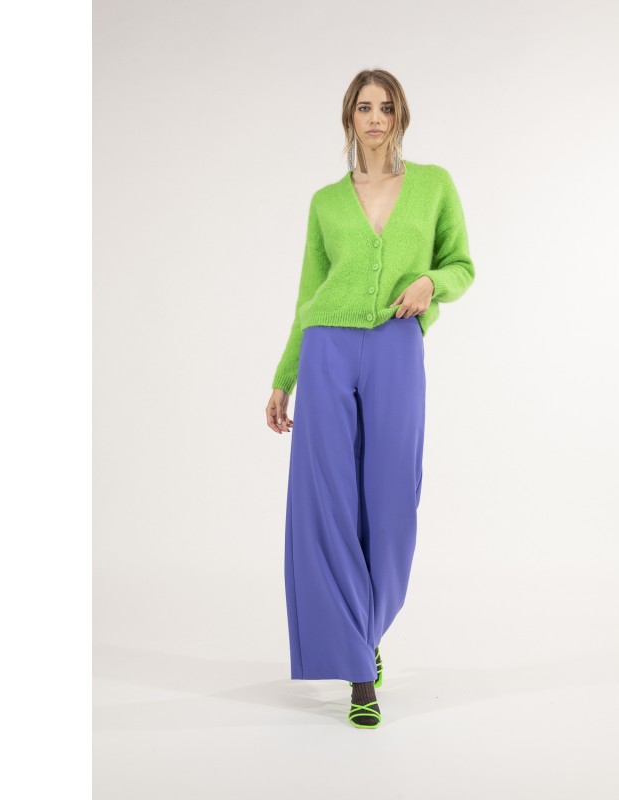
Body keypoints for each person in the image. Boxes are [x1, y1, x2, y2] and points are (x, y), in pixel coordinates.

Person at [265, 68, 475, 728]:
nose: (376, 117)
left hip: (396, 347)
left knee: (391, 502)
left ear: (400, 116)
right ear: (349, 119)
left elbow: (462, 265)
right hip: (327, 349)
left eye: (386, 106)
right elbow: (308, 295)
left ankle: (367, 626)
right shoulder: (326, 202)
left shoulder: (434, 185)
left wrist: (430, 284)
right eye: (364, 107)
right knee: (327, 504)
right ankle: (361, 671)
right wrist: (285, 375)